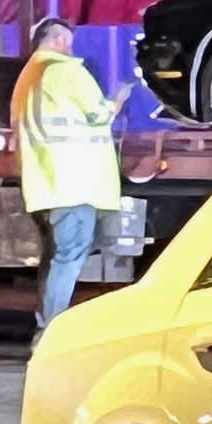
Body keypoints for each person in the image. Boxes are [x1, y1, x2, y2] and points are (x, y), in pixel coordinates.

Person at [12, 18, 125, 336]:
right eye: (69, 39)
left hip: (46, 184)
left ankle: (46, 323)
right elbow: (97, 114)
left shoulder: (29, 75)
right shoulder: (67, 71)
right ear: (60, 39)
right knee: (68, 257)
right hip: (75, 182)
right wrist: (118, 100)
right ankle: (51, 330)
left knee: (55, 257)